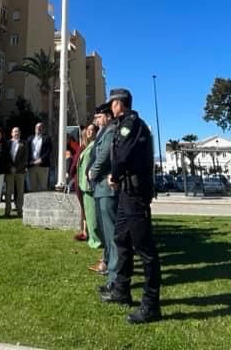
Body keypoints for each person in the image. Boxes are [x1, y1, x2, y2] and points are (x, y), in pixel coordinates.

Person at [100, 88, 162, 324]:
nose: (110, 108)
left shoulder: (132, 124)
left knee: (145, 249)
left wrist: (114, 176)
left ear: (119, 104)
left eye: (112, 104)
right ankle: (121, 290)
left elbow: (123, 155)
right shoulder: (124, 124)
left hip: (135, 193)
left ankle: (151, 304)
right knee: (121, 239)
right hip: (127, 192)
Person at [88, 103, 117, 277]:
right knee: (104, 231)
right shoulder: (103, 132)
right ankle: (107, 261)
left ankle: (114, 272)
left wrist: (93, 171)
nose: (96, 121)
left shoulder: (111, 130)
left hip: (106, 187)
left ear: (107, 116)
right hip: (99, 187)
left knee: (110, 231)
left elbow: (104, 155)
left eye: (99, 117)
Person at [77, 123, 102, 252]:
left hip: (90, 184)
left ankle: (96, 240)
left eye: (92, 130)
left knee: (92, 214)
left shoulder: (95, 145)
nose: (89, 132)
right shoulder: (87, 146)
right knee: (88, 213)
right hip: (83, 184)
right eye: (88, 130)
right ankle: (92, 237)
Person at [2, 125, 28, 217]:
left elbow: (25, 158)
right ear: (11, 133)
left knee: (20, 192)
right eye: (15, 131)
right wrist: (10, 167)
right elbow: (5, 157)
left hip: (20, 171)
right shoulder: (7, 143)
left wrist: (17, 168)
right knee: (8, 192)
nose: (16, 133)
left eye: (18, 131)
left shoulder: (24, 143)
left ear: (20, 133)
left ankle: (20, 211)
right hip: (9, 171)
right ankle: (7, 211)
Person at [27, 122, 52, 192]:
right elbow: (27, 152)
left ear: (43, 129)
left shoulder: (47, 138)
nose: (39, 128)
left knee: (43, 188)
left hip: (43, 166)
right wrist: (31, 162)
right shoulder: (30, 138)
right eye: (37, 127)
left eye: (40, 127)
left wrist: (41, 159)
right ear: (35, 129)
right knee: (33, 188)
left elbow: (49, 151)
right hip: (32, 166)